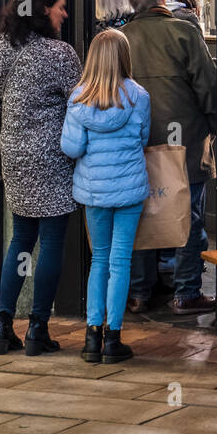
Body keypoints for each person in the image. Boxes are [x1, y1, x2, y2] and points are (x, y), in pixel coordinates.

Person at [0, 0, 81, 356]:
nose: (64, 13)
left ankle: (3, 325)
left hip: (14, 154)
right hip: (51, 157)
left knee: (21, 240)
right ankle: (38, 327)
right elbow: (81, 101)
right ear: (43, 9)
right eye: (60, 6)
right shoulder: (59, 54)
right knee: (53, 240)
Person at [123, 0, 217, 315]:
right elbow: (209, 89)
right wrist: (215, 127)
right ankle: (187, 292)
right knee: (187, 218)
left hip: (136, 146)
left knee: (140, 216)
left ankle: (139, 294)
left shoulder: (120, 38)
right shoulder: (184, 32)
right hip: (185, 145)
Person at [61, 28, 151, 364]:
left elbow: (71, 147)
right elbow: (142, 139)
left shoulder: (79, 98)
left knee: (98, 260)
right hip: (128, 190)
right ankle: (114, 338)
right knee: (120, 262)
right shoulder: (138, 96)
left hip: (94, 192)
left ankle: (91, 338)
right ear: (124, 58)